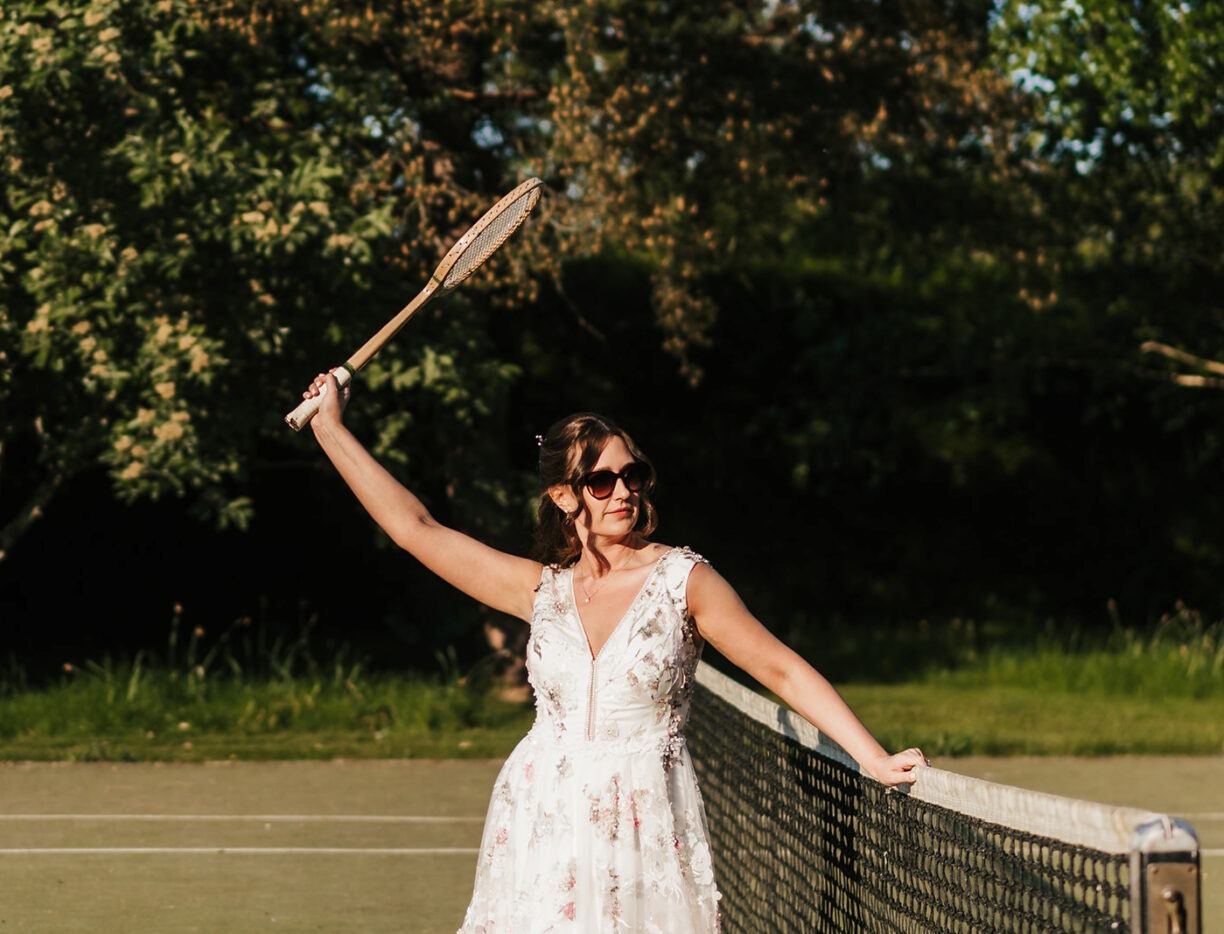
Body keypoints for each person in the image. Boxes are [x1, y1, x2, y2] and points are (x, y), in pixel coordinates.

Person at [301, 372, 927, 934]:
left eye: (634, 475)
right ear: (563, 496)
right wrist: (331, 428)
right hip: (542, 815)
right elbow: (416, 530)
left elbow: (779, 667)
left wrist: (870, 756)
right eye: (601, 480)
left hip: (644, 823)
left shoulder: (684, 581)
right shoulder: (540, 590)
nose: (623, 491)